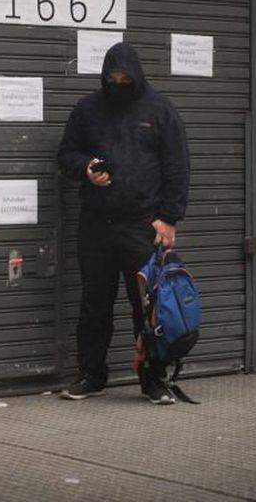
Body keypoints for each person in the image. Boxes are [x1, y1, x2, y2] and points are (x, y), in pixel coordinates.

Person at [56, 42, 189, 405]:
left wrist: (169, 218)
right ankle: (92, 376)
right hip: (96, 223)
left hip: (143, 225)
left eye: (125, 78)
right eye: (112, 78)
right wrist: (85, 169)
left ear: (137, 76)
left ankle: (153, 380)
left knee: (147, 306)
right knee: (94, 302)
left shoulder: (160, 110)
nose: (118, 83)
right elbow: (65, 154)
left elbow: (177, 167)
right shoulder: (87, 110)